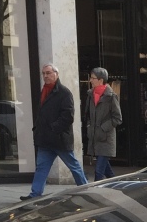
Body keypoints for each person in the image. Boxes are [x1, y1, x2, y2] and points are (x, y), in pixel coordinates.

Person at [22, 62, 88, 200]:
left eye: (48, 73)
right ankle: (35, 194)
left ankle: (86, 190)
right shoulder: (44, 91)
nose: (45, 76)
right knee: (41, 168)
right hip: (45, 139)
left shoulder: (64, 92)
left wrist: (54, 129)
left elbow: (68, 116)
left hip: (59, 139)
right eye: (44, 73)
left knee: (74, 166)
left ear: (56, 74)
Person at [85, 67, 123, 181]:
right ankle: (118, 186)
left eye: (93, 78)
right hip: (95, 138)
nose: (90, 80)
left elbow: (118, 118)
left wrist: (102, 128)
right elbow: (87, 115)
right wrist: (89, 127)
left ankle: (96, 194)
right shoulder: (90, 95)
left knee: (98, 172)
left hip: (106, 139)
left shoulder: (111, 97)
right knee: (107, 171)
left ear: (101, 80)